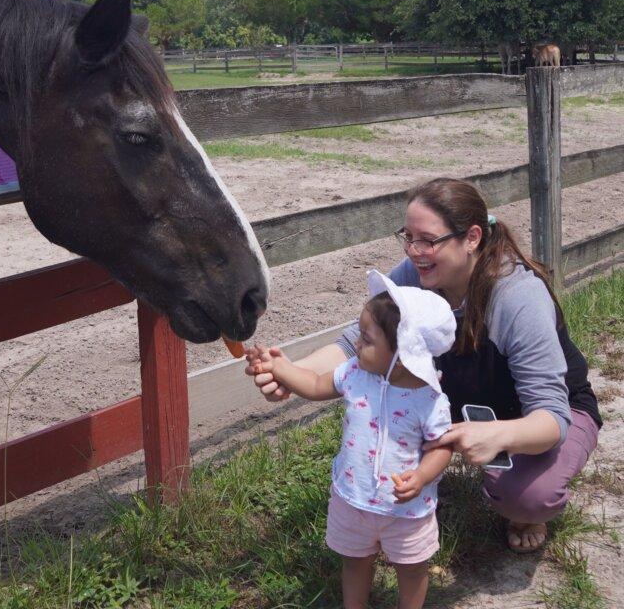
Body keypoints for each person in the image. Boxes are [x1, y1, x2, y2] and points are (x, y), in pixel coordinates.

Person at [249, 178, 601, 553]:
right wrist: (292, 371)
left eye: (428, 240)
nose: (415, 251)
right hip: (464, 407)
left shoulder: (518, 299)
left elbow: (552, 419)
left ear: (472, 238)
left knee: (527, 495)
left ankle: (525, 512)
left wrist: (497, 435)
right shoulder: (417, 274)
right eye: (408, 236)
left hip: (541, 415)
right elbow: (359, 341)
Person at [249, 270, 455, 609]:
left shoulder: (428, 398)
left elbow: (442, 445)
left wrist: (421, 477)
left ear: (403, 353)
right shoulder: (354, 373)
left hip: (405, 509)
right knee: (354, 560)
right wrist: (280, 368)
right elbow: (315, 385)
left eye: (367, 339)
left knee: (413, 567)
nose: (356, 344)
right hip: (352, 496)